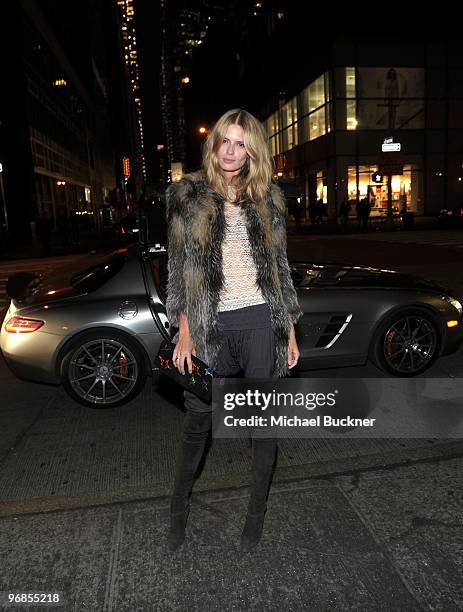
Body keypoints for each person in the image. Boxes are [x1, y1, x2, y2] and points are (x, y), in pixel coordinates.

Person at [165, 108, 302, 553]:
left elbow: (280, 270)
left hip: (262, 321)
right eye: (225, 140)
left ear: (252, 150)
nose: (230, 150)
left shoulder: (270, 199)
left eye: (241, 143)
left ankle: (255, 517)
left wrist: (290, 331)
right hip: (210, 326)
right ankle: (177, 511)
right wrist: (184, 329)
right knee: (198, 421)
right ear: (213, 144)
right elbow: (180, 267)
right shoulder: (188, 195)